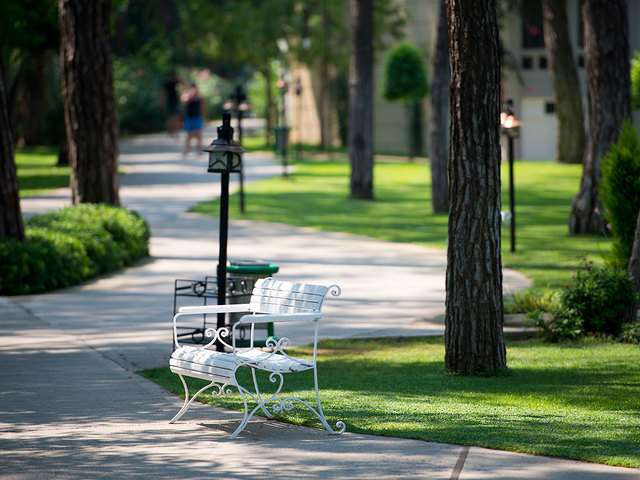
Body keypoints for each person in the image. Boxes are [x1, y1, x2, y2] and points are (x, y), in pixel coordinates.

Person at [180, 81, 206, 157]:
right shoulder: (186, 95)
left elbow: (203, 107)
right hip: (189, 117)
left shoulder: (199, 96)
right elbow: (184, 100)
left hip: (197, 117)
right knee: (189, 135)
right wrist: (191, 95)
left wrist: (205, 117)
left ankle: (199, 151)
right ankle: (187, 149)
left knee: (199, 135)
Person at [162, 72, 181, 136]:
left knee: (175, 116)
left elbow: (184, 85)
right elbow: (164, 93)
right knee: (170, 116)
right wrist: (163, 102)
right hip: (170, 101)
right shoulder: (167, 83)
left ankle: (174, 130)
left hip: (175, 101)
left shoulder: (176, 82)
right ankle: (171, 129)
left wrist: (180, 79)